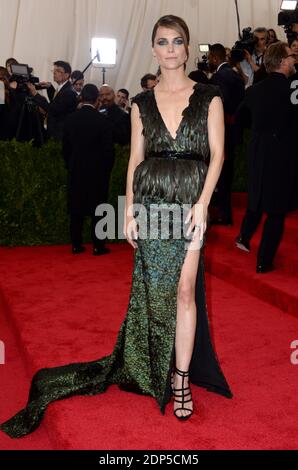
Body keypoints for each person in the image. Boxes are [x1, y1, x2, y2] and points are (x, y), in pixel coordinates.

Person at [0, 15, 232, 438]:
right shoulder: (141, 103)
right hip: (151, 201)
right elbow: (135, 159)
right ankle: (153, 363)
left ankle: (181, 379)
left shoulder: (210, 96)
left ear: (186, 46)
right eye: (162, 42)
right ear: (153, 49)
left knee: (184, 291)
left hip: (190, 202)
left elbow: (217, 155)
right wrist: (127, 211)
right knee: (154, 290)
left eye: (177, 41)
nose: (170, 49)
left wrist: (203, 203)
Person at [236, 42, 297, 273]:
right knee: (276, 211)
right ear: (282, 61)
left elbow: (240, 119)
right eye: (291, 57)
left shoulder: (255, 90)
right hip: (284, 156)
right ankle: (264, 261)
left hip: (258, 153)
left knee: (258, 198)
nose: (293, 61)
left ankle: (247, 239)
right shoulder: (293, 89)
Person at [62, 84, 113, 256]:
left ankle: (76, 245)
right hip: (98, 173)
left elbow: (65, 149)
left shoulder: (70, 119)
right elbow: (108, 151)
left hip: (76, 170)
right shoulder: (103, 121)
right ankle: (98, 246)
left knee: (76, 209)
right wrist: (106, 170)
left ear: (81, 98)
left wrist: (70, 165)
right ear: (97, 99)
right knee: (99, 209)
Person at [208, 43, 245, 225]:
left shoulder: (219, 77)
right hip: (233, 131)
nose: (208, 61)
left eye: (209, 58)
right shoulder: (236, 75)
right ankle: (225, 213)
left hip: (223, 132)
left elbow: (221, 106)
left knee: (220, 174)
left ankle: (224, 214)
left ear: (215, 58)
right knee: (226, 175)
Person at [27, 61, 77, 141]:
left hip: (60, 133)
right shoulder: (63, 88)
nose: (54, 73)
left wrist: (35, 94)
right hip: (56, 130)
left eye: (58, 71)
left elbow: (53, 109)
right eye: (54, 70)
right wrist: (49, 87)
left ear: (67, 75)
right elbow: (56, 100)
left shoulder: (69, 92)